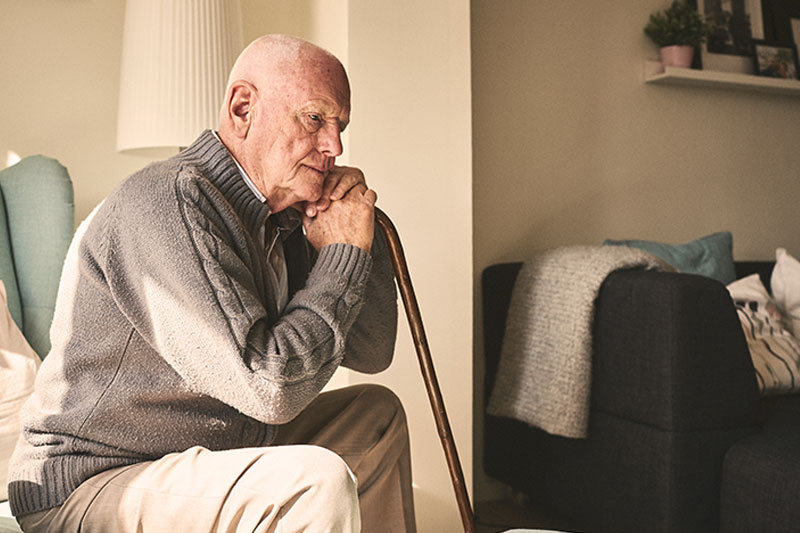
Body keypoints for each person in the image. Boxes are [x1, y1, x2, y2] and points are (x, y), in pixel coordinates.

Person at [7, 34, 416, 532]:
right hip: (92, 481)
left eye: (340, 126)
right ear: (243, 108)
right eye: (315, 118)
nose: (335, 146)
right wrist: (341, 254)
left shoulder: (284, 216)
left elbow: (372, 350)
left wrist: (355, 236)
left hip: (207, 455)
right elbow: (271, 389)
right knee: (315, 481)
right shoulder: (167, 201)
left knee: (375, 415)